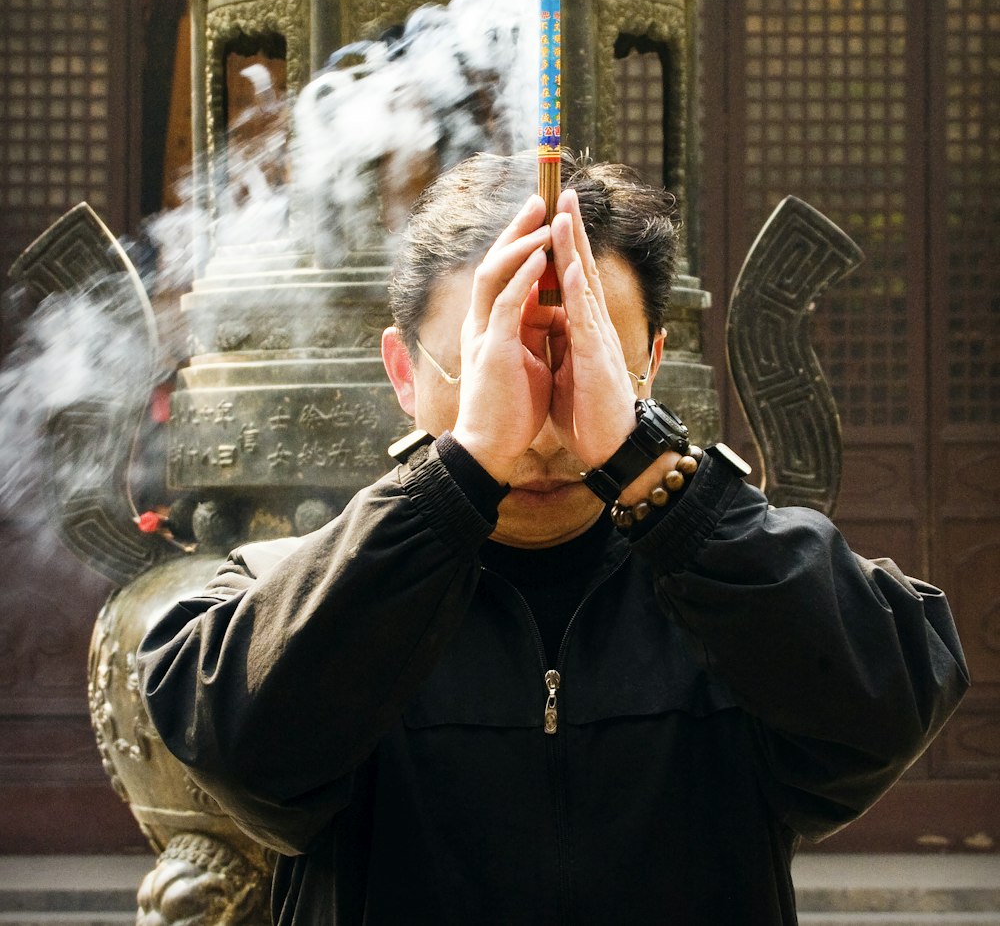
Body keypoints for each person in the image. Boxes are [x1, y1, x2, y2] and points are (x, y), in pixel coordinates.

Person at [138, 152, 968, 926]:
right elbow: (243, 757)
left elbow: (887, 703)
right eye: (489, 364)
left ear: (650, 365)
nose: (538, 430)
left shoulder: (732, 584)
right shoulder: (293, 587)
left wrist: (653, 473)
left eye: (581, 359)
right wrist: (463, 467)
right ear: (402, 370)